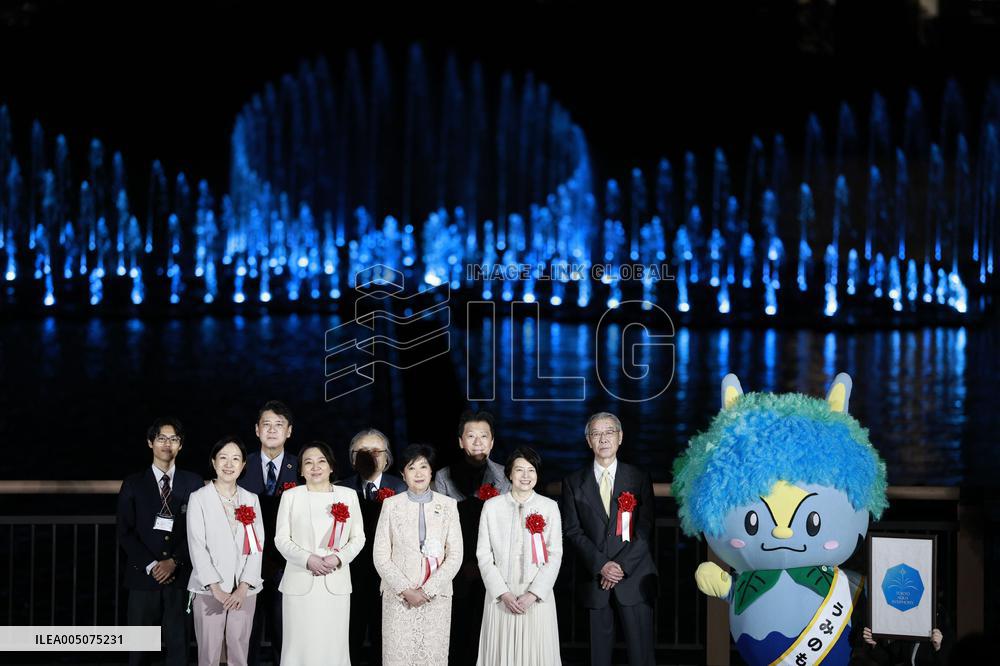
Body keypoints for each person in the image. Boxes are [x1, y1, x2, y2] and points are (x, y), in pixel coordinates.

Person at [561, 412, 657, 666]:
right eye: (596, 433)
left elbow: (645, 528)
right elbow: (572, 531)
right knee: (597, 656)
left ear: (620, 437)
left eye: (609, 432)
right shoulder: (573, 482)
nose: (603, 438)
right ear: (588, 441)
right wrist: (602, 565)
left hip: (634, 577)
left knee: (641, 655)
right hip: (595, 579)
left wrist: (621, 566)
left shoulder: (638, 478)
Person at [117, 417, 203, 666]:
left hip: (181, 577)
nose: (167, 444)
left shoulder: (193, 482)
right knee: (139, 652)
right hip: (143, 578)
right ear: (150, 443)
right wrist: (152, 564)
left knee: (179, 649)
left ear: (180, 445)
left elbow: (198, 531)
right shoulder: (133, 483)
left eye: (173, 439)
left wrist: (174, 561)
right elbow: (125, 532)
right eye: (161, 438)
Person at [274, 441, 365, 666]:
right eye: (308, 462)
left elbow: (358, 538)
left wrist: (338, 558)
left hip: (335, 583)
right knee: (299, 646)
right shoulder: (291, 496)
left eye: (321, 461)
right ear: (301, 470)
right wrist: (308, 559)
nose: (315, 467)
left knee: (333, 645)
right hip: (300, 583)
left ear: (331, 467)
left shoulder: (348, 496)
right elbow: (282, 539)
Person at [373, 444, 463, 666]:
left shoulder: (449, 506)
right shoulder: (391, 505)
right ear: (403, 474)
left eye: (424, 467)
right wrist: (406, 590)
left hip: (436, 598)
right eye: (412, 468)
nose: (419, 473)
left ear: (432, 472)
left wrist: (427, 590)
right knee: (398, 656)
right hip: (399, 598)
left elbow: (455, 555)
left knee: (433, 656)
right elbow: (381, 555)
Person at [433, 409, 510, 664]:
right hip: (457, 566)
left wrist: (487, 564)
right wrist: (463, 563)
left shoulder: (504, 476)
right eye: (471, 436)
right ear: (460, 441)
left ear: (492, 441)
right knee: (458, 632)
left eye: (483, 436)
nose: (478, 442)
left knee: (490, 633)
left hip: (495, 565)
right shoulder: (444, 477)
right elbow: (440, 526)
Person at [476, 447, 563, 665]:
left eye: (531, 470)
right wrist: (502, 593)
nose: (525, 476)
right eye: (519, 470)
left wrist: (533, 594)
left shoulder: (549, 507)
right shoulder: (492, 507)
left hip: (536, 597)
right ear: (509, 474)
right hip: (501, 596)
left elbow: (555, 555)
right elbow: (484, 555)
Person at [187, 436, 265, 666]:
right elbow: (196, 545)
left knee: (238, 651)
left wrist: (243, 587)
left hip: (245, 591)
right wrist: (216, 588)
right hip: (209, 589)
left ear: (242, 466)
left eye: (235, 459)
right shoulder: (199, 498)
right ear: (214, 462)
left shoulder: (250, 500)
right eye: (223, 458)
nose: (229, 465)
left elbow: (256, 546)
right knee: (209, 654)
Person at [336, 428, 408, 665]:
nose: (369, 456)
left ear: (386, 457)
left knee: (385, 642)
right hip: (349, 578)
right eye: (362, 452)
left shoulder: (402, 490)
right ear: (352, 457)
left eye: (375, 451)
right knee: (349, 640)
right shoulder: (339, 490)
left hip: (389, 581)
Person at [238, 400, 298, 666]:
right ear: (256, 430)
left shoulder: (301, 468)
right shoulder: (239, 465)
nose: (272, 430)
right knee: (246, 634)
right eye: (266, 425)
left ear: (289, 431)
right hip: (246, 562)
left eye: (279, 425)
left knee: (284, 633)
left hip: (287, 565)